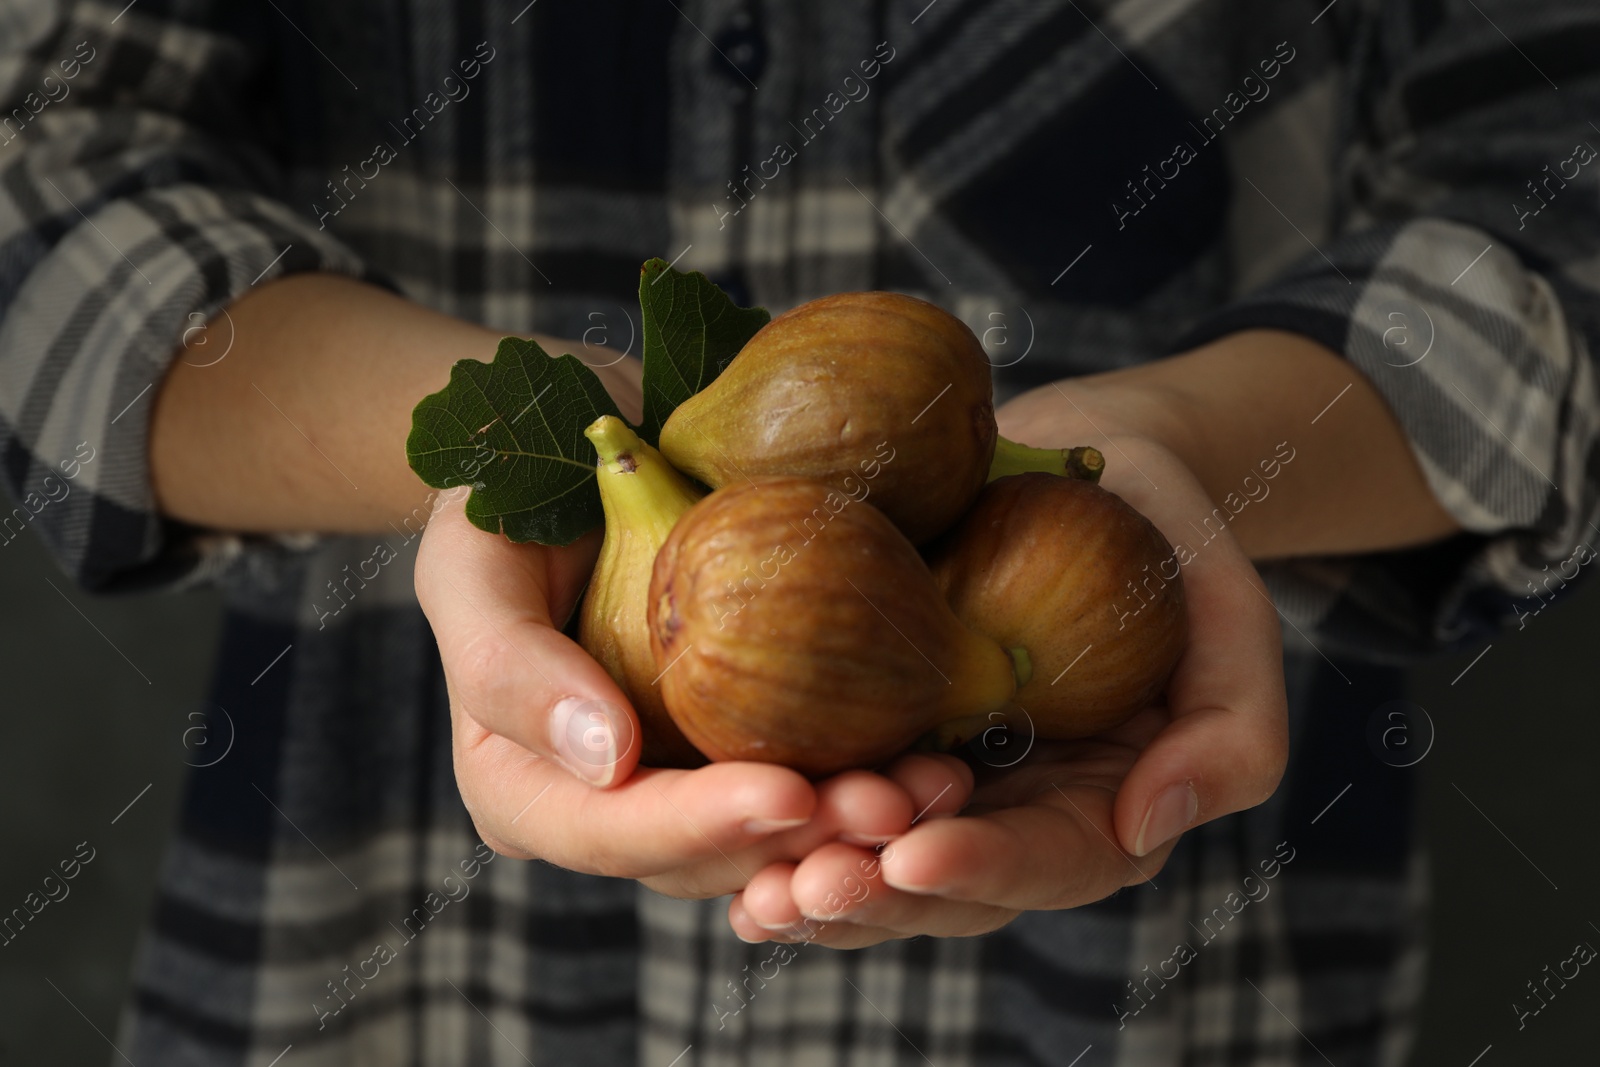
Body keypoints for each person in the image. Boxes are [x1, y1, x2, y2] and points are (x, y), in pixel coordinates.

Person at [2, 0, 1595, 1063]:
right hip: (374, 965)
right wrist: (521, 463)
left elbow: (1561, 188)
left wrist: (1184, 446)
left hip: (1164, 967)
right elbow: (37, 184)